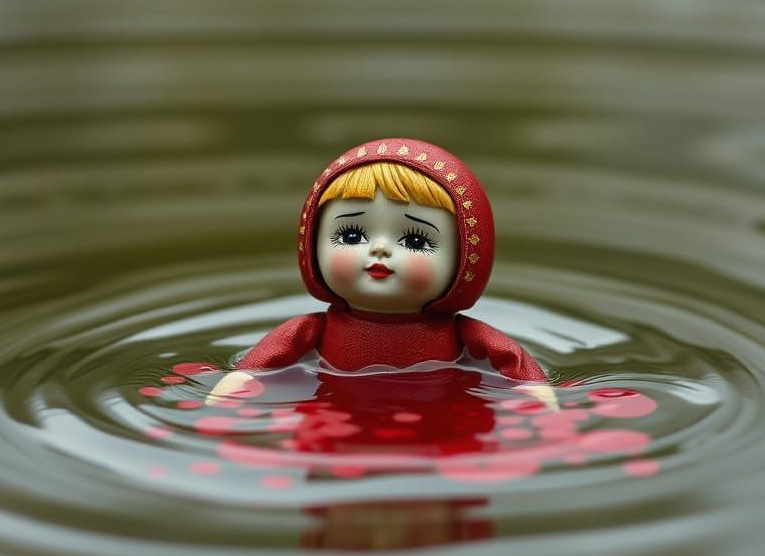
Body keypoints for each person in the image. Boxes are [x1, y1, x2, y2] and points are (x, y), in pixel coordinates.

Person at [209, 137, 554, 408]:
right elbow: (268, 357)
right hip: (332, 412)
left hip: (438, 417)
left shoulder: (464, 337)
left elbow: (512, 361)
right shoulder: (311, 330)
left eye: (416, 240)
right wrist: (241, 379)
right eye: (351, 235)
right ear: (312, 246)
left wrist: (534, 390)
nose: (379, 250)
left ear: (465, 260)